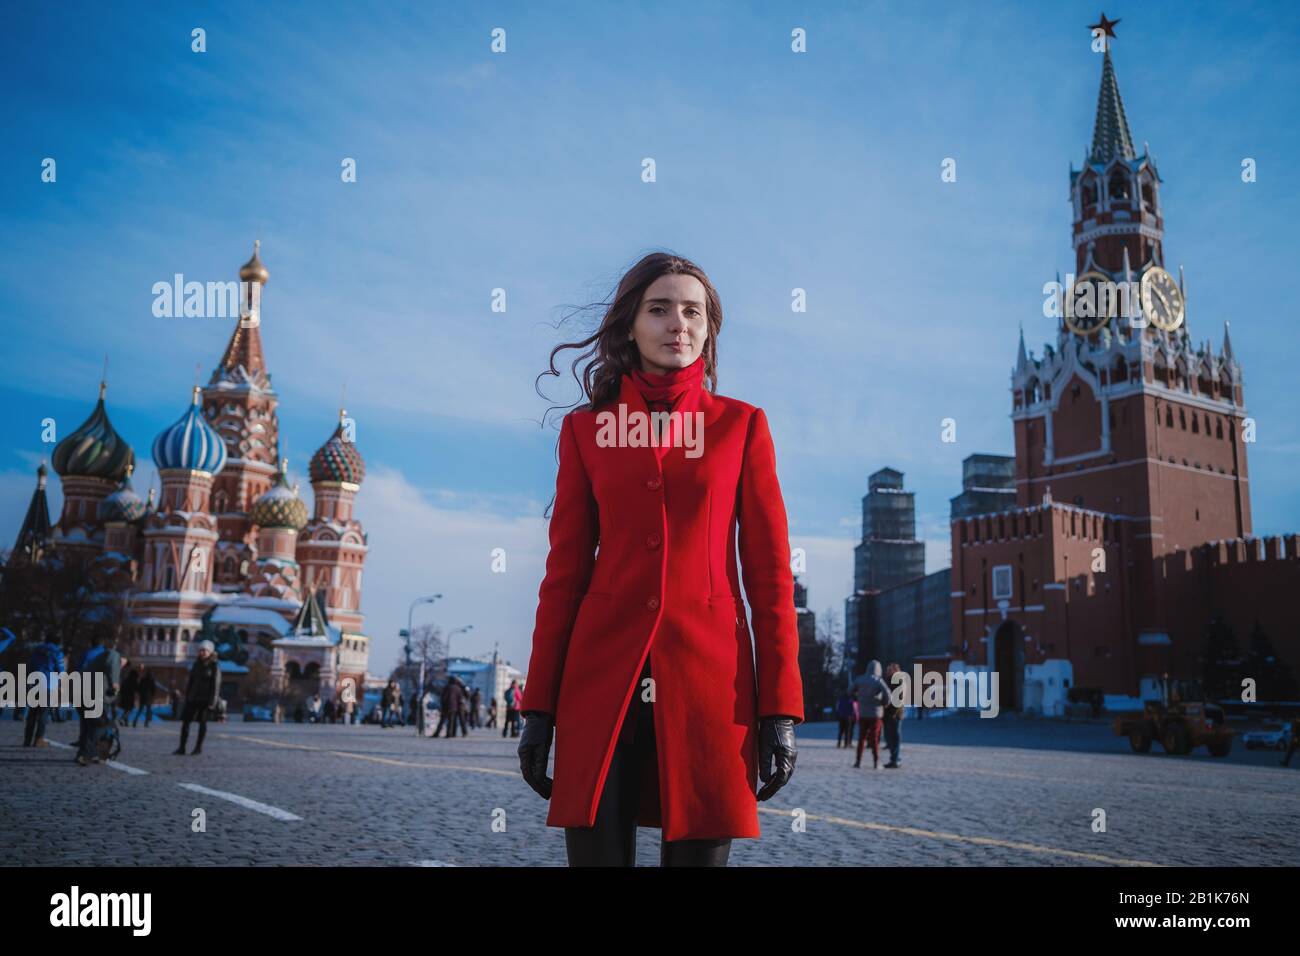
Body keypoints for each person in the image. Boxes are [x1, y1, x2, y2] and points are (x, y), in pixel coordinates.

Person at [517, 253, 804, 867]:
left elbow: (771, 579)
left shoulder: (742, 427)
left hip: (711, 688)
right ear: (630, 326)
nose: (678, 322)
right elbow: (563, 576)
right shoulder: (586, 431)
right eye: (660, 308)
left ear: (707, 330)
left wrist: (779, 707)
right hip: (600, 684)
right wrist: (538, 707)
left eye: (693, 311)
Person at [76, 636, 122, 766]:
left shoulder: (96, 658)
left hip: (81, 692)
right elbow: (113, 667)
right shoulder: (114, 655)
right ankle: (86, 755)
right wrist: (114, 684)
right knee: (100, 725)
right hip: (93, 695)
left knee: (90, 725)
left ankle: (95, 754)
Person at [174, 640, 221, 756]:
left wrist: (213, 701)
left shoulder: (214, 665)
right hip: (193, 698)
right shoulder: (196, 664)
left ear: (210, 652)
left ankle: (198, 748)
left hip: (205, 699)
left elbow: (216, 685)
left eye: (205, 650)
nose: (202, 652)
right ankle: (182, 747)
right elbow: (191, 681)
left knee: (202, 723)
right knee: (185, 722)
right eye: (201, 650)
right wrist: (187, 695)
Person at [23, 636, 65, 748]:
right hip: (48, 685)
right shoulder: (56, 652)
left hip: (35, 683)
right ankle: (38, 739)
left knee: (32, 713)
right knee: (43, 714)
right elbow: (61, 669)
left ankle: (27, 739)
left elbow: (30, 667)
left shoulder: (36, 651)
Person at [850, 659, 890, 769]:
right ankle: (876, 761)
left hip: (863, 713)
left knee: (861, 738)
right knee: (875, 738)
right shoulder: (878, 681)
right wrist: (883, 702)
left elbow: (849, 691)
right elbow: (888, 695)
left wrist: (857, 698)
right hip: (876, 714)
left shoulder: (860, 679)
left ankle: (858, 761)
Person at [882, 661, 905, 769]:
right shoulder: (889, 681)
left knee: (894, 737)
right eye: (887, 670)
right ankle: (895, 758)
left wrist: (893, 713)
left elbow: (899, 699)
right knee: (889, 737)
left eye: (890, 670)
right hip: (888, 714)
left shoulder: (898, 681)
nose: (887, 671)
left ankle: (895, 760)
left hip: (894, 714)